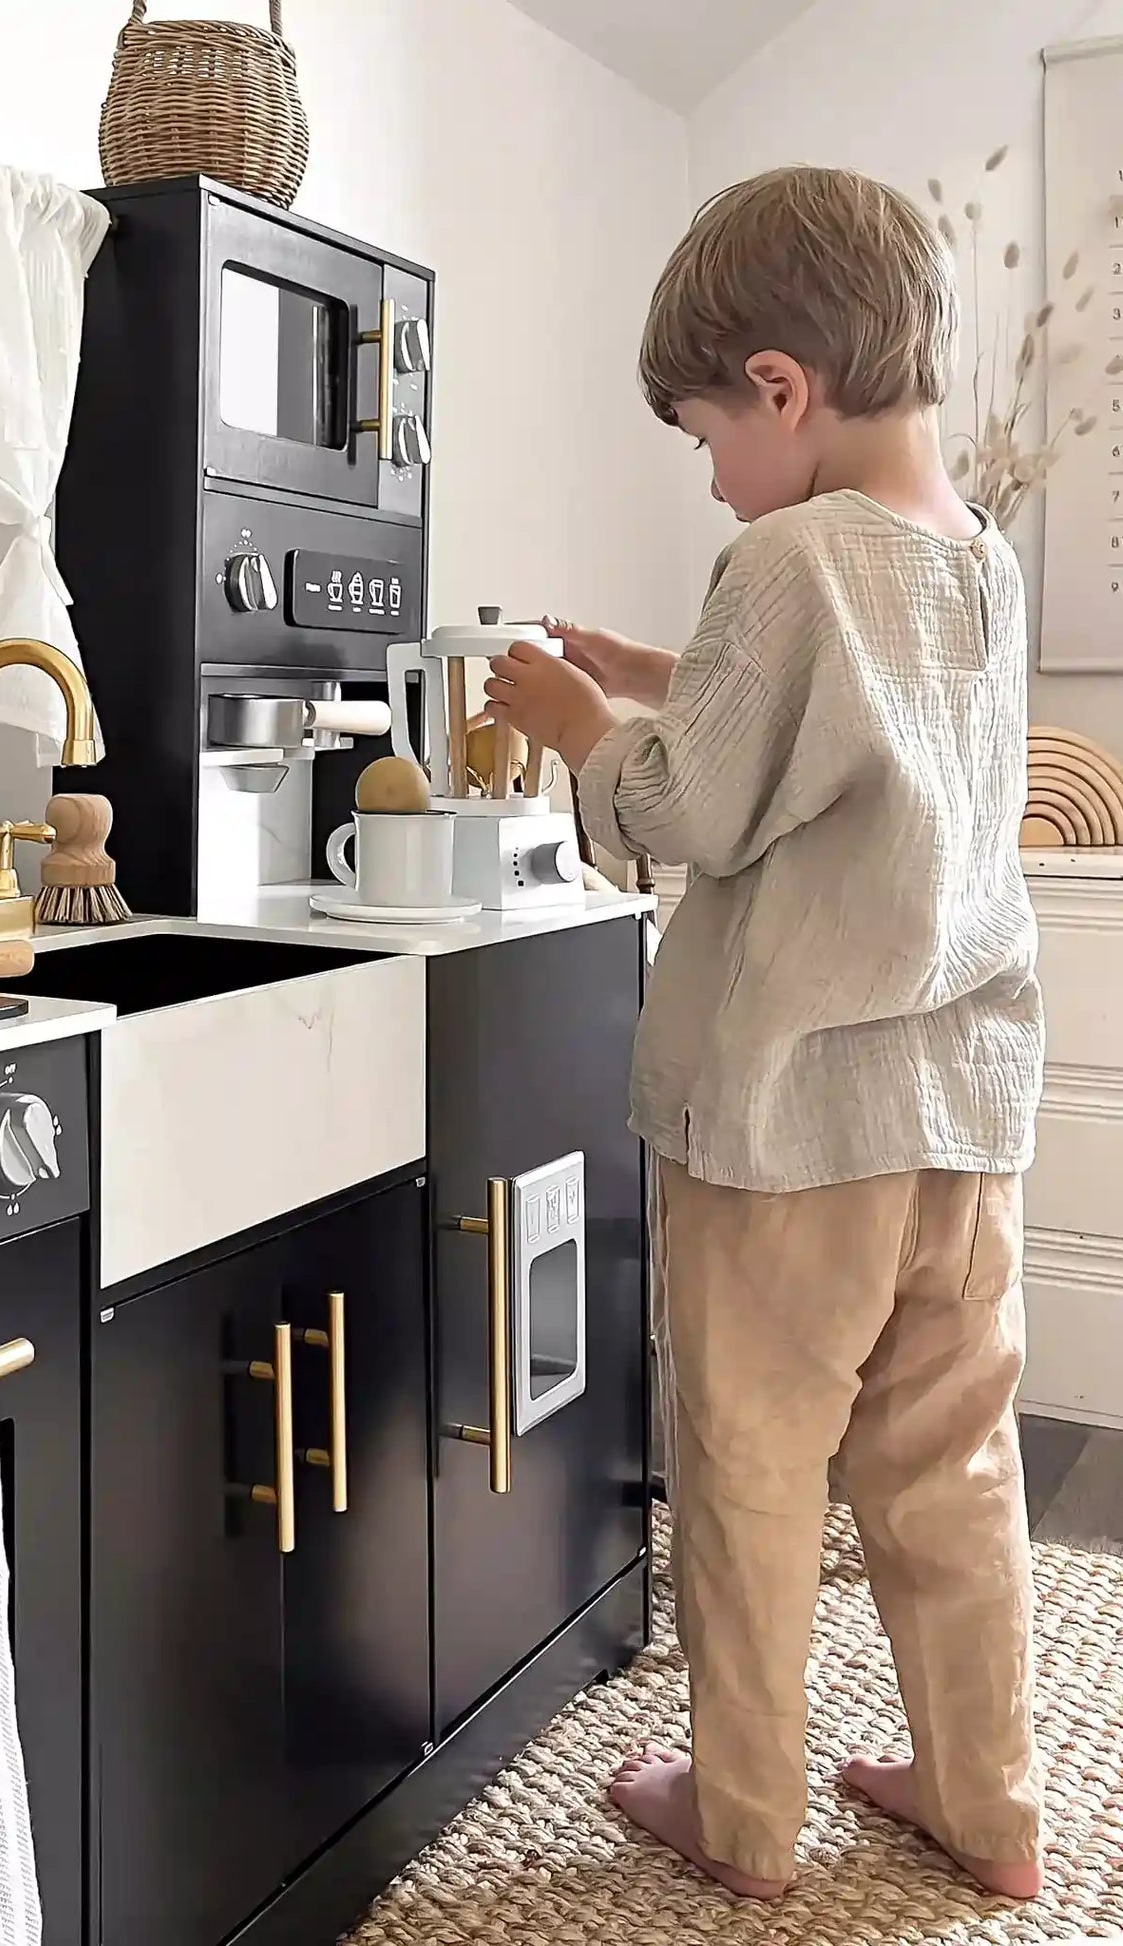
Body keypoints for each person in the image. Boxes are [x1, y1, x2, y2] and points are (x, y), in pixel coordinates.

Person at [483, 166, 1045, 1903]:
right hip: (959, 1115)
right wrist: (661, 661)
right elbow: (856, 731)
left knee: (748, 1466)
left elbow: (685, 808)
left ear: (783, 387)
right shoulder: (978, 559)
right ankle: (985, 1802)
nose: (710, 469)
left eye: (702, 430)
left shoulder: (779, 553)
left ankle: (741, 1815)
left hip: (792, 1125)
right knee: (948, 1472)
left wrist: (581, 720)